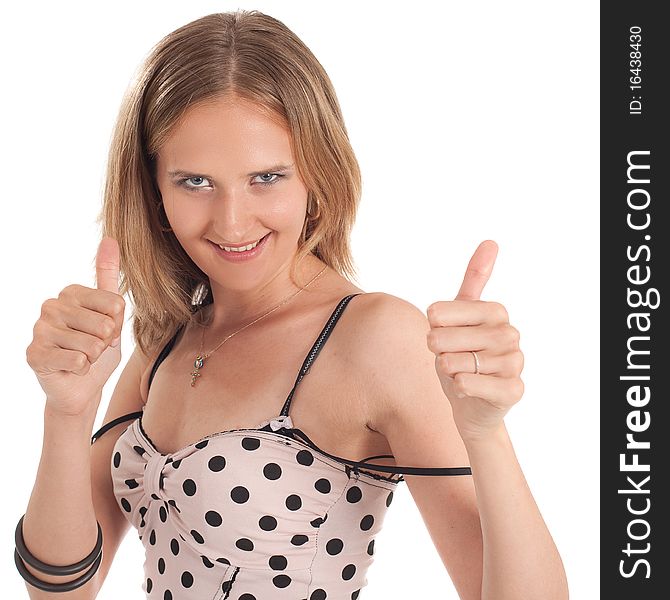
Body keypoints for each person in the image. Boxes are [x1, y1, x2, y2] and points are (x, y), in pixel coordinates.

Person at [15, 9, 568, 600]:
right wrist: (67, 412)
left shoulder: (374, 337)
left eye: (267, 177)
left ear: (317, 172)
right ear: (153, 184)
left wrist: (486, 434)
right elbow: (62, 591)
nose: (232, 222)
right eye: (195, 182)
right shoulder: (165, 340)